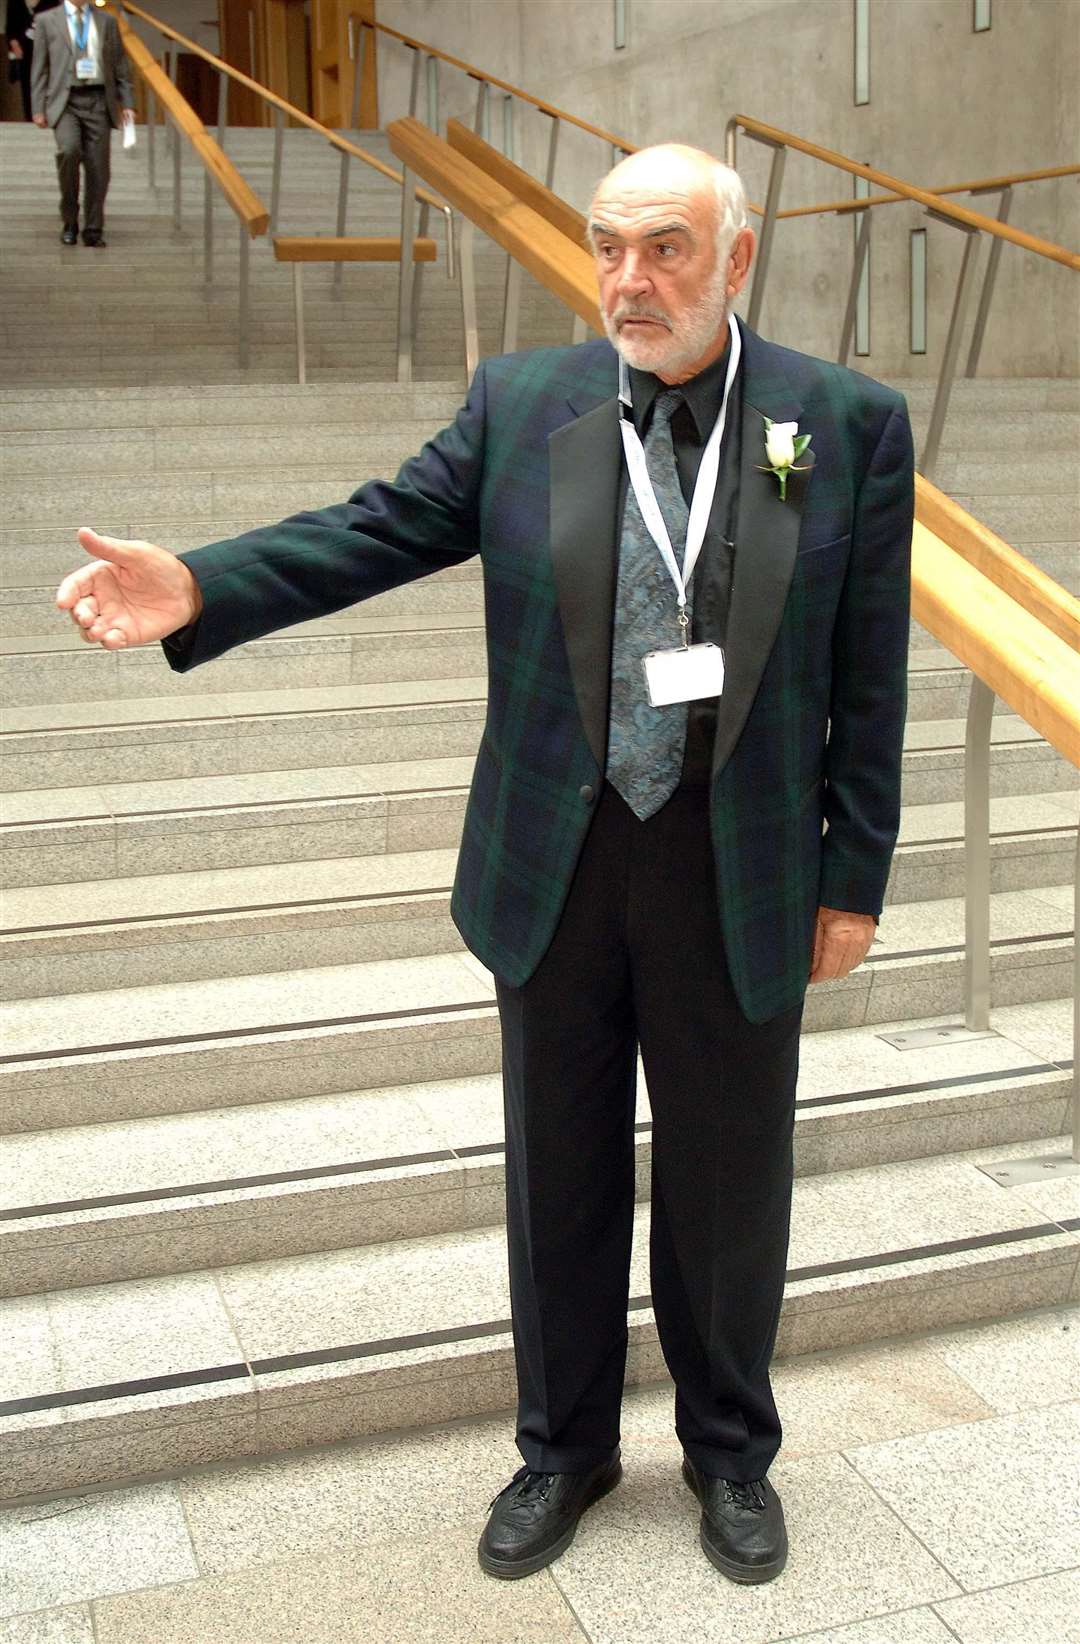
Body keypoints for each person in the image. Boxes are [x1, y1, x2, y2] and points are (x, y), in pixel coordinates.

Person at [56, 143, 913, 1586]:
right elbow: (378, 528)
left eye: (666, 248)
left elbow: (868, 675)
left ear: (739, 259)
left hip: (737, 864)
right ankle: (563, 1451)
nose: (629, 279)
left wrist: (855, 873)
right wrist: (206, 581)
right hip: (558, 863)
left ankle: (729, 1456)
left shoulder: (842, 425)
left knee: (730, 1178)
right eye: (607, 246)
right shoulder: (527, 406)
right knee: (558, 1172)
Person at [30, 0, 133, 247]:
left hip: (98, 99)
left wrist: (128, 102)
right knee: (69, 150)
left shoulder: (106, 21)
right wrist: (38, 108)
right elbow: (40, 68)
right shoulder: (46, 20)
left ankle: (93, 229)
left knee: (99, 168)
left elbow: (120, 65)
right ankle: (70, 218)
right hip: (65, 101)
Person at [5, 0, 60, 123]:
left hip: (47, 48)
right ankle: (30, 115)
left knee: (47, 80)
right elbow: (10, 26)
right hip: (24, 50)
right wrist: (13, 43)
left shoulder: (53, 2)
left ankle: (48, 112)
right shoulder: (15, 2)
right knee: (27, 82)